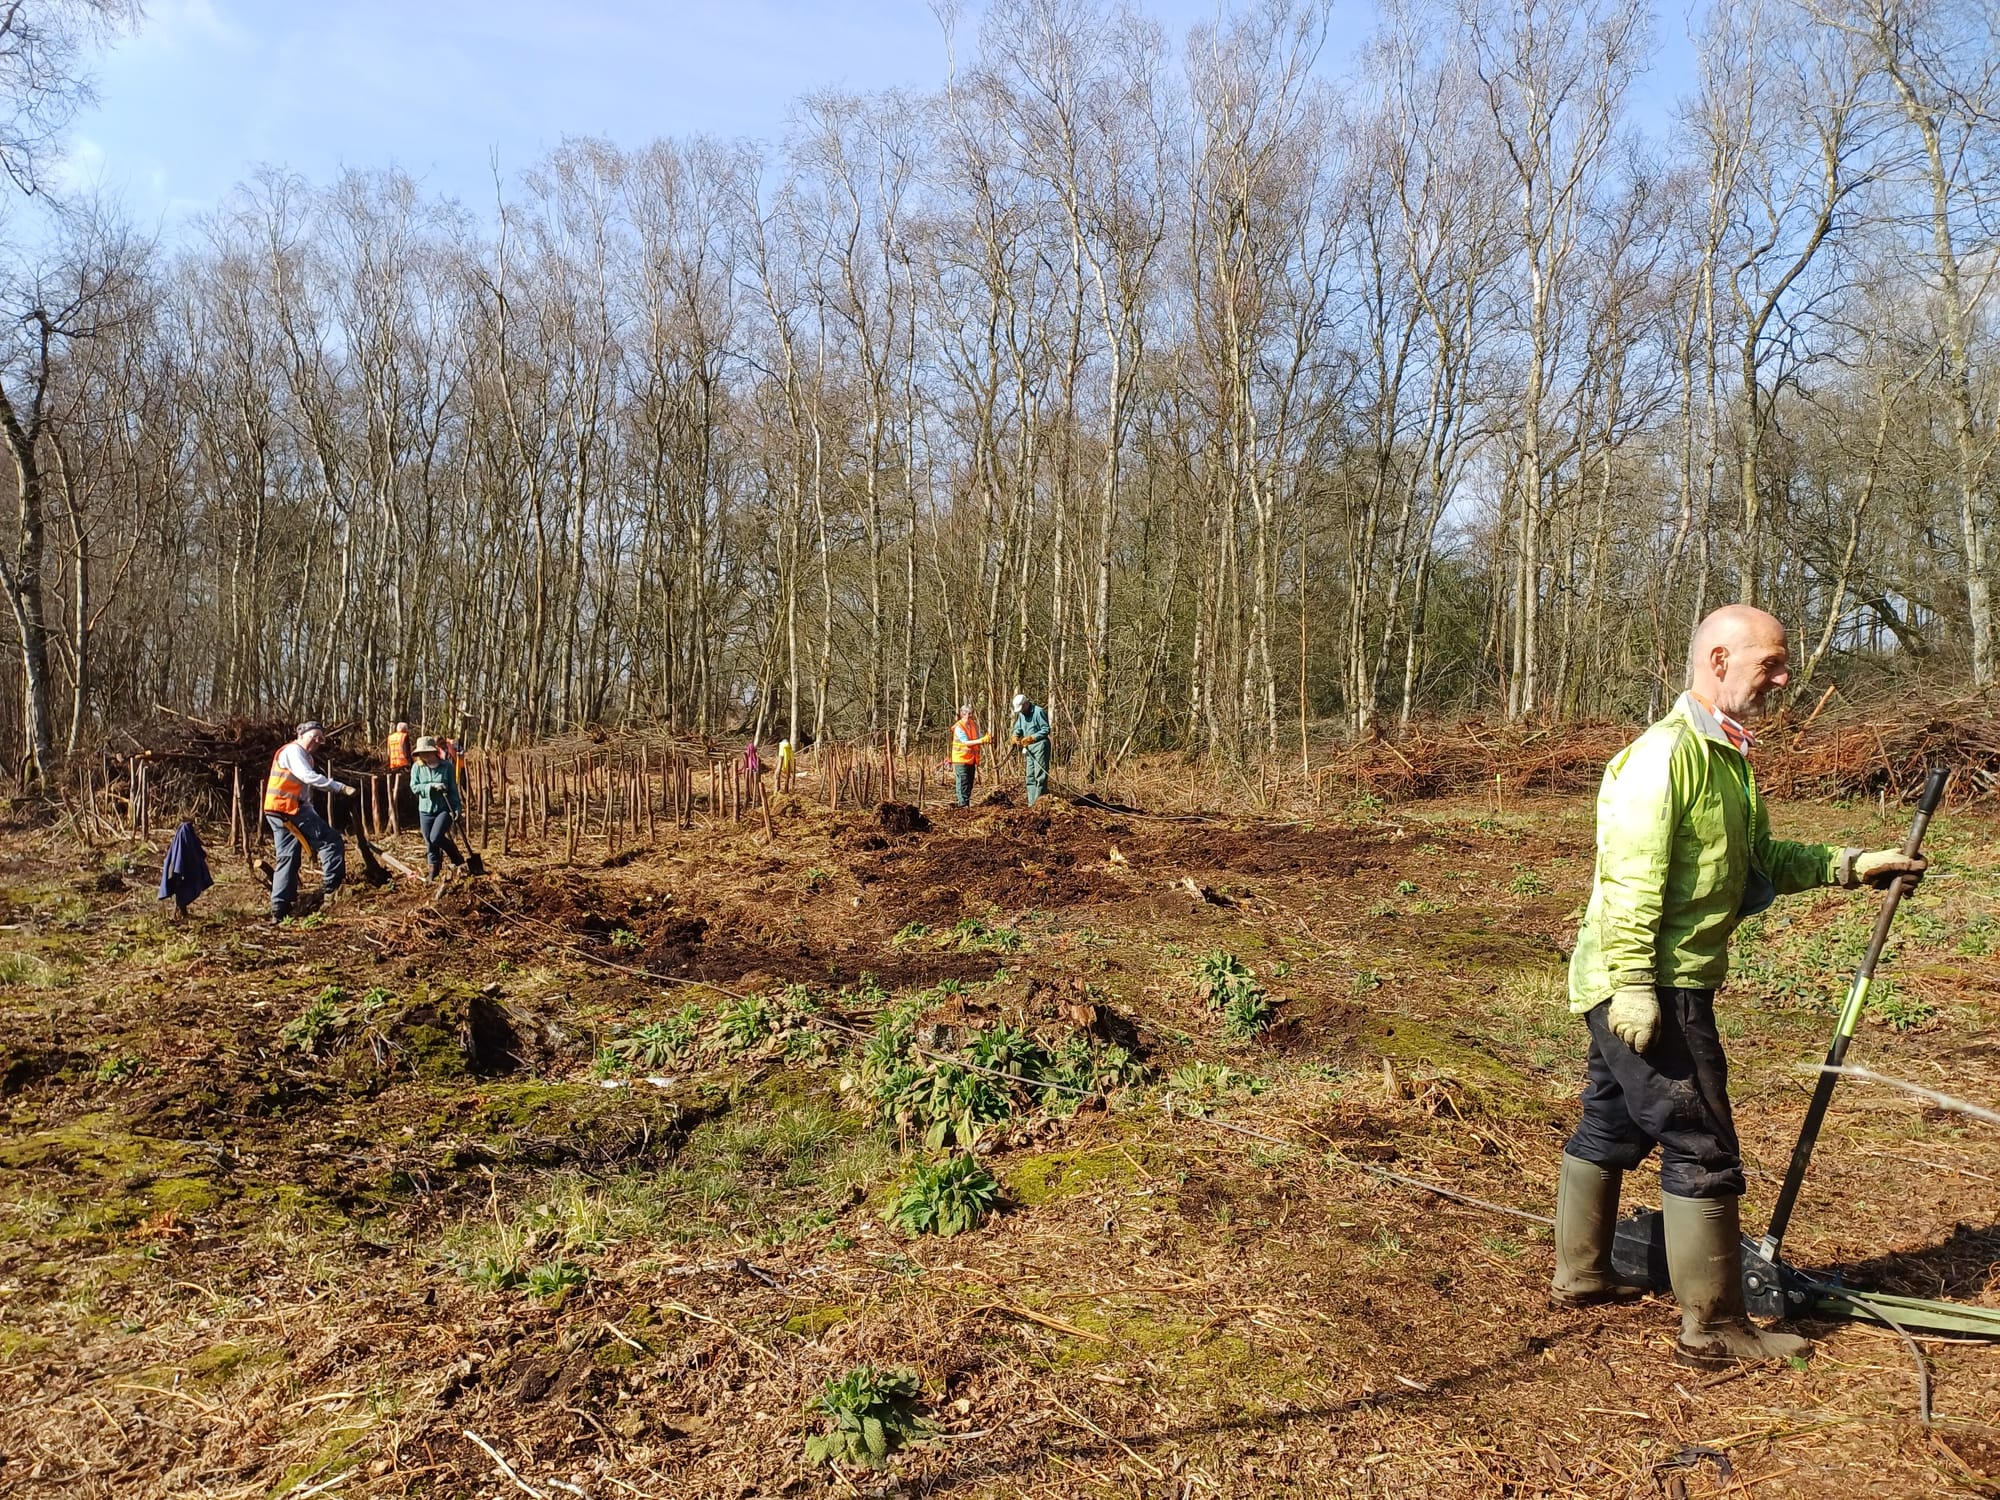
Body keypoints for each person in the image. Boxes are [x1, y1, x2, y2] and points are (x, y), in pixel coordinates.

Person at [1554, 604, 1927, 1368]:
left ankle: (1583, 1274)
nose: (1785, 679)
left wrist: (1851, 865)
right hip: (1653, 981)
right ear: (1719, 661)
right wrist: (1632, 985)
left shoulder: (1728, 756)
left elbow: (1756, 862)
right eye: (1772, 664)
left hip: (1656, 979)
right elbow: (1630, 881)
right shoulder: (1664, 757)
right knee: (1702, 1145)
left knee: (1614, 1124)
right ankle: (1715, 1327)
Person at [263, 721, 354, 921]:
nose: (317, 741)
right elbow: (308, 777)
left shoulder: (306, 757)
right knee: (331, 841)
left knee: (288, 856)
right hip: (287, 809)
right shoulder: (294, 752)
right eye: (314, 736)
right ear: (302, 734)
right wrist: (339, 787)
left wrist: (311, 812)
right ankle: (332, 890)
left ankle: (280, 908)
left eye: (321, 739)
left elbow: (304, 793)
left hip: (280, 808)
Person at [408, 735, 465, 881]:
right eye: (421, 753)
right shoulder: (417, 768)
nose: (424, 756)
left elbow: (453, 789)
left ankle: (456, 857)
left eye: (427, 752)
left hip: (443, 808)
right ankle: (433, 868)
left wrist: (457, 808)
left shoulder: (446, 767)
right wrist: (430, 786)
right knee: (429, 841)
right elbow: (414, 787)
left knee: (435, 837)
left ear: (434, 751)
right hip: (425, 809)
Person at [1011, 693, 1051, 807]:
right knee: (1030, 776)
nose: (1021, 711)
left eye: (1021, 708)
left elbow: (1046, 729)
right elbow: (1018, 728)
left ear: (1026, 704)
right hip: (1029, 749)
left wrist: (1033, 737)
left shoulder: (1038, 712)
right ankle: (1031, 804)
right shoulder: (1021, 715)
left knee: (1040, 776)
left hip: (1040, 746)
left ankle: (1039, 803)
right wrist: (1015, 736)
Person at [950, 703, 990, 807]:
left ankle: (966, 803)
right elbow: (966, 742)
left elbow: (978, 736)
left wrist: (986, 738)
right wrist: (982, 740)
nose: (971, 715)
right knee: (963, 782)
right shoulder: (959, 727)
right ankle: (962, 804)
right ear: (962, 714)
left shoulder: (973, 725)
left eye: (971, 713)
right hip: (961, 759)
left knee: (969, 783)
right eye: (969, 713)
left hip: (971, 760)